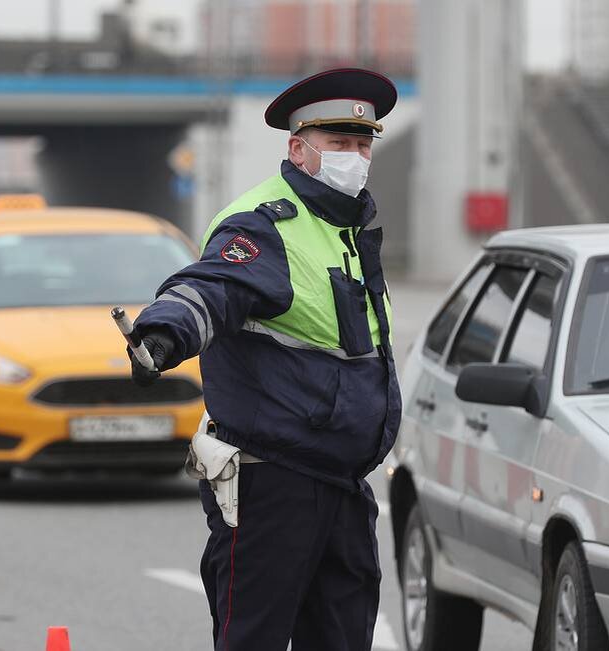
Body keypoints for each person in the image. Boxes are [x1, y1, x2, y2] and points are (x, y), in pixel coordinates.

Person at [127, 68, 401, 651]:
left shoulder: (345, 228)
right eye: (338, 145)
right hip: (271, 480)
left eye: (362, 144)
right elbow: (210, 289)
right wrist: (163, 333)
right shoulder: (263, 224)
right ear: (298, 149)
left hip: (342, 483)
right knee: (253, 639)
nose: (354, 156)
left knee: (343, 638)